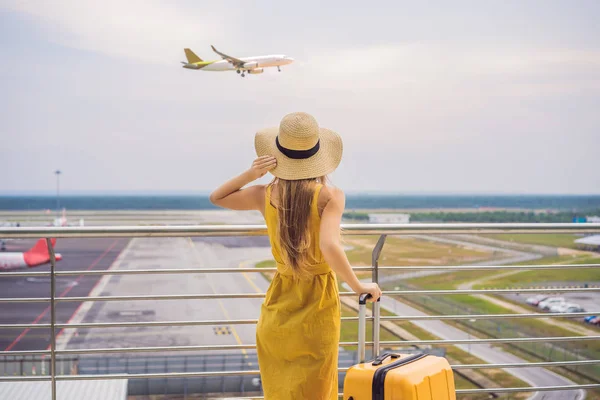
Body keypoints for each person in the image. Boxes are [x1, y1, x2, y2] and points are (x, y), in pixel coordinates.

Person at [210, 112, 382, 399]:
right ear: (320, 157)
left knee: (280, 391)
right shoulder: (330, 196)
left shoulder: (263, 194)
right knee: (317, 389)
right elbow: (329, 245)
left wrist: (251, 174)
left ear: (278, 156)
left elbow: (217, 197)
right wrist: (359, 286)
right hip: (317, 307)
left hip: (278, 307)